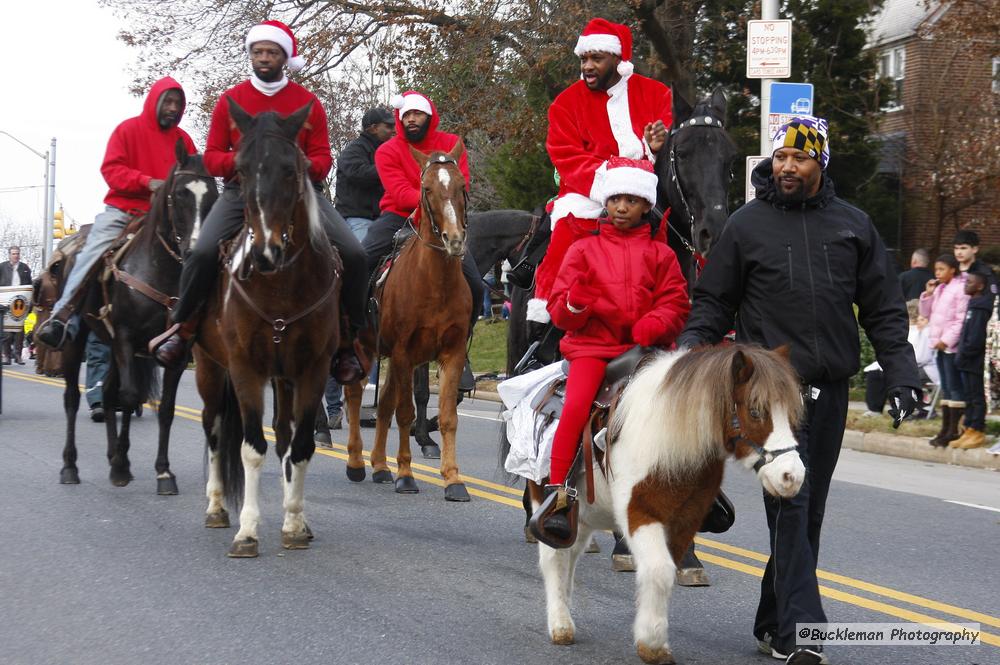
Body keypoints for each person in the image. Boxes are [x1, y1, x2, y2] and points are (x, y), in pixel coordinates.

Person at [675, 116, 920, 665]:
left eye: (800, 158)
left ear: (820, 164)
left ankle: (770, 621)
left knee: (806, 517)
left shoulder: (853, 226)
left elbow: (883, 311)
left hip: (829, 392)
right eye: (781, 156)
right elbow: (715, 300)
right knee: (791, 505)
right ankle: (802, 635)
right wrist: (693, 345)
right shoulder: (746, 225)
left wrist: (902, 373)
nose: (787, 166)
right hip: (771, 398)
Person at [150, 20, 368, 382]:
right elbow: (213, 155)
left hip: (300, 192)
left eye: (272, 52)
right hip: (242, 191)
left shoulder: (308, 103)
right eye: (258, 52)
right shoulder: (230, 100)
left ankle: (349, 338)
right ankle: (183, 327)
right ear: (250, 55)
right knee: (202, 250)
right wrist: (245, 163)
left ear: (285, 57)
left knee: (356, 253)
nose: (264, 58)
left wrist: (292, 167)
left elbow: (324, 158)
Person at [530, 157, 690, 545]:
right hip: (592, 349)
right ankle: (559, 495)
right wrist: (576, 304)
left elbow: (676, 302)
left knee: (686, 405)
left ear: (645, 206)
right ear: (605, 201)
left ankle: (699, 490)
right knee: (576, 406)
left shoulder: (662, 255)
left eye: (631, 200)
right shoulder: (582, 250)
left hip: (645, 349)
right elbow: (559, 311)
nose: (621, 207)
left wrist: (654, 324)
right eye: (615, 198)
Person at [524, 18, 673, 324]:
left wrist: (658, 147)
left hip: (651, 185)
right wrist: (615, 177)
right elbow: (565, 156)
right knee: (567, 225)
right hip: (589, 191)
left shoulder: (657, 94)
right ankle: (549, 311)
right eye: (584, 59)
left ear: (618, 59)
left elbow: (676, 142)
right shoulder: (565, 104)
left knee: (686, 222)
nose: (588, 66)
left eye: (596, 58)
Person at [36, 78, 196, 349]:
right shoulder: (128, 130)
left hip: (167, 218)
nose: (172, 108)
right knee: (89, 253)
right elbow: (111, 170)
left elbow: (193, 177)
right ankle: (62, 318)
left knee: (198, 253)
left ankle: (193, 325)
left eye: (177, 104)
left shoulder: (184, 140)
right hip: (125, 211)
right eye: (167, 102)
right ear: (154, 102)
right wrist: (146, 182)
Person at [363, 90, 484, 379]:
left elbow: (460, 182)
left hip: (444, 218)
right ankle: (356, 332)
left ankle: (460, 346)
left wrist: (442, 206)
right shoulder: (387, 151)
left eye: (417, 114)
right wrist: (429, 203)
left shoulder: (452, 144)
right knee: (362, 258)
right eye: (406, 115)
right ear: (399, 119)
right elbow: (398, 191)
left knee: (475, 283)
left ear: (430, 117)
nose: (412, 119)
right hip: (398, 215)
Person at [324, 107, 395, 428]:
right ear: (371, 127)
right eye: (387, 126)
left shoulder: (387, 150)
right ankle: (351, 308)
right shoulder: (353, 152)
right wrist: (391, 167)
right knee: (360, 259)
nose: (393, 130)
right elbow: (360, 174)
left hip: (386, 220)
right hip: (356, 220)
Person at [919, 254, 969, 447]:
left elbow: (960, 319)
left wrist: (946, 340)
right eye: (936, 269)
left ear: (952, 270)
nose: (937, 273)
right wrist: (928, 295)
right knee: (946, 387)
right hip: (938, 344)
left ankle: (954, 430)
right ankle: (945, 429)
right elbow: (926, 313)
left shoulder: (960, 289)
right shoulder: (940, 289)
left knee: (955, 387)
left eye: (941, 269)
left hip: (950, 346)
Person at [950, 271, 995, 449]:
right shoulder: (973, 303)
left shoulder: (981, 307)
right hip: (967, 361)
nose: (965, 284)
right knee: (969, 395)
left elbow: (975, 339)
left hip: (975, 361)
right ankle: (968, 428)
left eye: (970, 282)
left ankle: (977, 430)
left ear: (980, 286)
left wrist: (963, 354)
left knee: (976, 396)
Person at [1, 246, 32, 364]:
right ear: (9, 255)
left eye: (17, 253)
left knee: (19, 330)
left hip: (20, 302)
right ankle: (7, 356)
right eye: (13, 253)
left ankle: (18, 355)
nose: (16, 256)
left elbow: (29, 286)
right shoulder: (2, 267)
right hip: (6, 302)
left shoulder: (25, 268)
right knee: (7, 331)